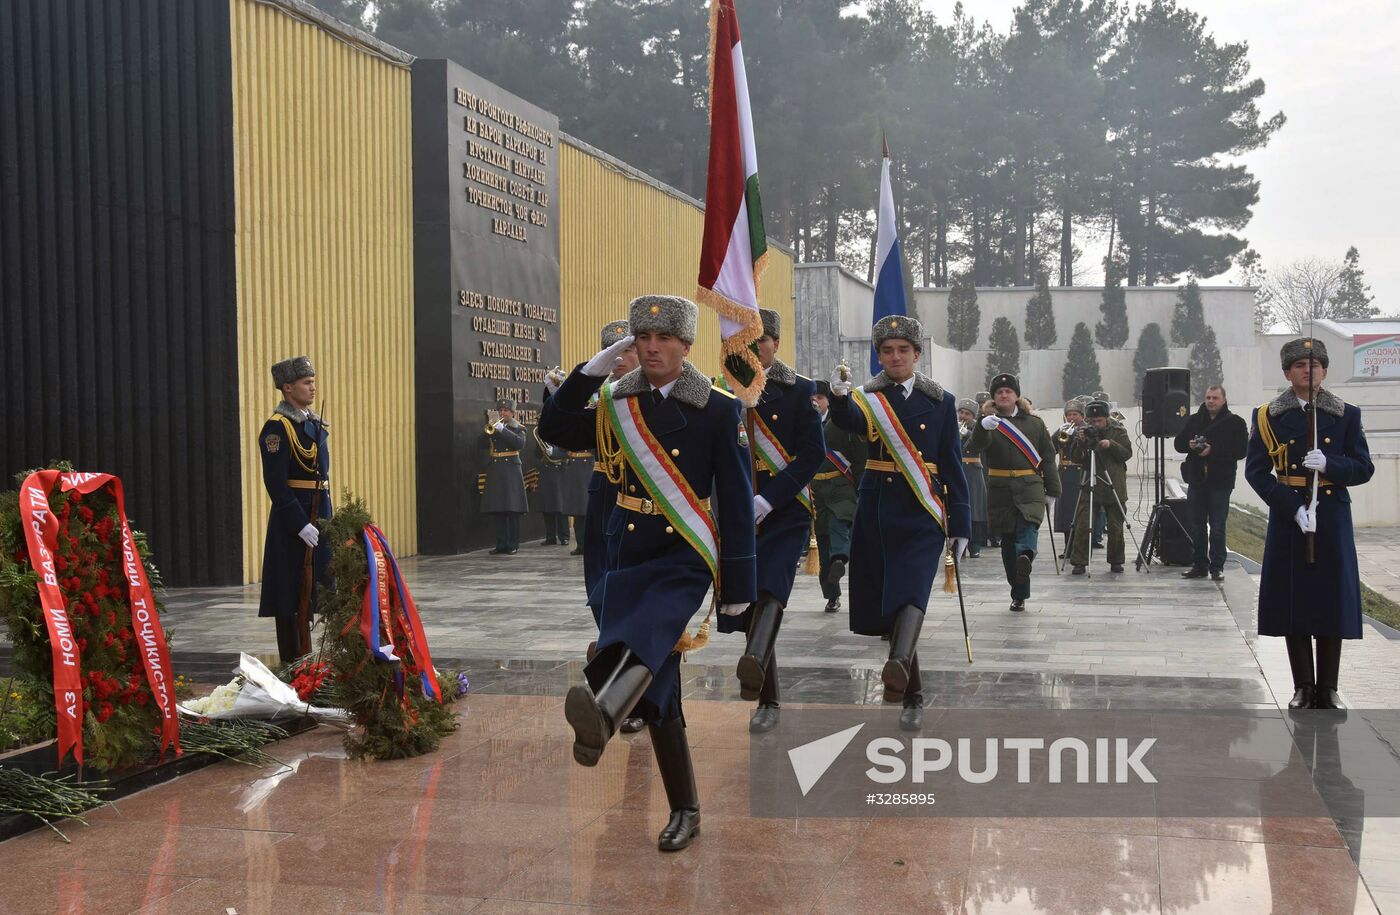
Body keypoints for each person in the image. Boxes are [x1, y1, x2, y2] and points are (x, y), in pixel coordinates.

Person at [539, 294, 755, 851]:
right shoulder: (616, 401)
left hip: (682, 554)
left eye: (663, 340)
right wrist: (589, 371)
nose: (652, 348)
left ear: (686, 346)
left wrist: (739, 588)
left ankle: (605, 711)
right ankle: (686, 807)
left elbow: (734, 499)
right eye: (642, 340)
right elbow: (557, 429)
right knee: (661, 691)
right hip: (626, 553)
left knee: (645, 636)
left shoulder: (718, 408)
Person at [828, 314, 971, 731]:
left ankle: (896, 663)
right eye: (887, 351)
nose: (895, 357)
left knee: (911, 588)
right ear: (879, 357)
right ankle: (912, 694)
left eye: (903, 350)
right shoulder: (867, 398)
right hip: (878, 507)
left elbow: (952, 463)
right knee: (891, 601)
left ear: (917, 354)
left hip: (923, 509)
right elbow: (850, 422)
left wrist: (960, 522)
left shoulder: (941, 400)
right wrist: (839, 399)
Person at [1246, 337, 1373, 709]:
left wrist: (1331, 465)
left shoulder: (1346, 413)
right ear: (1287, 372)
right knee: (1295, 600)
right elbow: (1257, 472)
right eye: (1300, 365)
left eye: (1315, 365)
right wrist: (1291, 507)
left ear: (1325, 371)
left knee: (1330, 599)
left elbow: (1364, 467)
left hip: (1331, 516)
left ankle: (1328, 688)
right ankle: (1303, 685)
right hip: (1291, 518)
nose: (1309, 370)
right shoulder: (1268, 416)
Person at [718, 309, 824, 734]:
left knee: (770, 586)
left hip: (784, 510)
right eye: (743, 340)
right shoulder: (722, 391)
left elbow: (811, 455)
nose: (751, 348)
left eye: (759, 340)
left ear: (775, 344)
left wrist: (769, 498)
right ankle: (766, 686)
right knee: (746, 598)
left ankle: (760, 677)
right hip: (735, 512)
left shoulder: (798, 391)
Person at [545, 323, 645, 734]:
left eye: (628, 350)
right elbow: (554, 429)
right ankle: (614, 670)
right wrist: (576, 382)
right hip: (606, 502)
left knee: (643, 605)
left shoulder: (662, 401)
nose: (620, 358)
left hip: (654, 511)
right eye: (612, 352)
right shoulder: (602, 404)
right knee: (602, 595)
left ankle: (636, 696)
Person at [258, 356, 333, 663]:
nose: (312, 387)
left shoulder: (312, 423)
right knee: (291, 594)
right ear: (288, 388)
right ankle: (293, 663)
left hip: (319, 514)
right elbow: (276, 484)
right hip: (294, 523)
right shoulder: (278, 429)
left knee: (317, 589)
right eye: (306, 382)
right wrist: (299, 523)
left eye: (313, 381)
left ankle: (310, 660)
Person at [967, 374, 1059, 612]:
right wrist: (981, 427)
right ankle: (1019, 592)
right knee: (1008, 544)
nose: (1004, 395)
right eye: (999, 392)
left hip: (1030, 486)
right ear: (994, 398)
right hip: (1000, 490)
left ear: (1017, 395)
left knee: (1028, 527)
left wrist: (1053, 490)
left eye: (1008, 391)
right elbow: (974, 448)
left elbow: (1048, 458)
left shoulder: (1034, 423)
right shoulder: (989, 422)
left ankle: (1027, 555)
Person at [1174, 385, 1249, 581]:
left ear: (1223, 400)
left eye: (1215, 398)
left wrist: (1212, 451)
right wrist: (1190, 445)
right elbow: (1178, 444)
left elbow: (1241, 450)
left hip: (1221, 482)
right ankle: (1199, 565)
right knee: (1196, 525)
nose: (1211, 401)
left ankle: (1217, 567)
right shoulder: (1195, 420)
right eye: (1208, 397)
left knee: (1217, 526)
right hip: (1197, 480)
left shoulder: (1235, 422)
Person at [811, 381, 867, 612]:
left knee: (839, 523)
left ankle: (840, 558)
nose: (814, 402)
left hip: (840, 482)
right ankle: (831, 593)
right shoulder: (802, 422)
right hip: (815, 487)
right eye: (811, 398)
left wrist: (862, 484)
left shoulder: (841, 421)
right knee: (822, 540)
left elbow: (859, 454)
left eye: (819, 398)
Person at [1067, 400, 1132, 574]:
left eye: (1099, 421)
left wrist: (1111, 444)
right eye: (1092, 421)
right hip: (1089, 483)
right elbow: (1075, 458)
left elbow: (1127, 454)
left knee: (1115, 526)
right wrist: (1080, 442)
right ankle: (1079, 561)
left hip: (1114, 484)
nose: (1095, 425)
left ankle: (1116, 560)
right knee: (1083, 524)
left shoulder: (1118, 431)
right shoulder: (1083, 432)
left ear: (1106, 418)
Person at [481, 398, 527, 555]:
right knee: (498, 509)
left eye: (506, 410)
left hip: (511, 471)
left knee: (512, 510)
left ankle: (513, 544)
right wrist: (488, 429)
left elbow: (519, 444)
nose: (502, 413)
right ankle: (501, 544)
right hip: (496, 470)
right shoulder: (494, 427)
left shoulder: (518, 428)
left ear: (512, 413)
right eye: (500, 410)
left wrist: (502, 429)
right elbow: (480, 444)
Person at [1053, 401, 1086, 550]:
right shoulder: (1063, 430)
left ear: (1082, 416)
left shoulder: (1085, 429)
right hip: (1064, 475)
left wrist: (1075, 436)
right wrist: (1057, 433)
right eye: (1069, 415)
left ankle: (1077, 547)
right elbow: (1050, 448)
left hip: (1079, 474)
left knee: (1078, 511)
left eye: (1075, 414)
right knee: (1065, 512)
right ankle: (1068, 546)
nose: (1071, 418)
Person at [956, 399, 986, 558]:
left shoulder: (977, 428)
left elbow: (982, 444)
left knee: (975, 510)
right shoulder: (952, 426)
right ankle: (957, 546)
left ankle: (974, 546)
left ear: (973, 416)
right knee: (959, 508)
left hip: (973, 471)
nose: (963, 416)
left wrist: (967, 434)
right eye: (961, 412)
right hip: (958, 469)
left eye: (967, 414)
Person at [533, 426, 570, 546]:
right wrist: (541, 448)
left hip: (559, 470)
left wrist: (554, 452)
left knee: (560, 507)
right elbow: (536, 454)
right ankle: (550, 537)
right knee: (547, 506)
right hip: (546, 471)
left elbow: (567, 451)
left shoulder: (562, 432)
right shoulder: (543, 434)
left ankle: (564, 536)